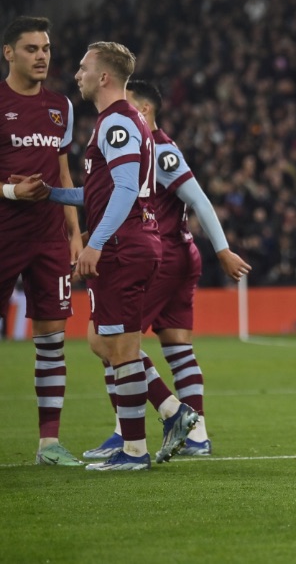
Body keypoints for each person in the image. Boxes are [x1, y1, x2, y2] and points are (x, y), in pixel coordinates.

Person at [15, 42, 198, 471]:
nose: (75, 74)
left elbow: (126, 190)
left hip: (122, 244)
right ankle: (171, 412)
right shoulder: (119, 122)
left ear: (103, 77)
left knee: (120, 348)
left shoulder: (117, 121)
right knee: (108, 342)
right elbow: (100, 192)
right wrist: (52, 194)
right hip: (133, 240)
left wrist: (96, 243)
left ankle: (135, 450)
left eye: (82, 67)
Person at [80, 80, 251, 461]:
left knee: (108, 341)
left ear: (143, 109)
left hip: (163, 254)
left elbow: (201, 201)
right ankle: (197, 437)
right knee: (177, 348)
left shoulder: (158, 149)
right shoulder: (145, 147)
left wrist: (222, 249)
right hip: (177, 254)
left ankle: (140, 426)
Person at [1, 16, 84, 466]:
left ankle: (48, 444)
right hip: (4, 231)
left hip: (50, 236)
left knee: (52, 339)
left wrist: (74, 234)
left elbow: (63, 173)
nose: (41, 56)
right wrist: (12, 191)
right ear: (9, 53)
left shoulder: (61, 107)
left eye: (46, 48)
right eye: (31, 48)